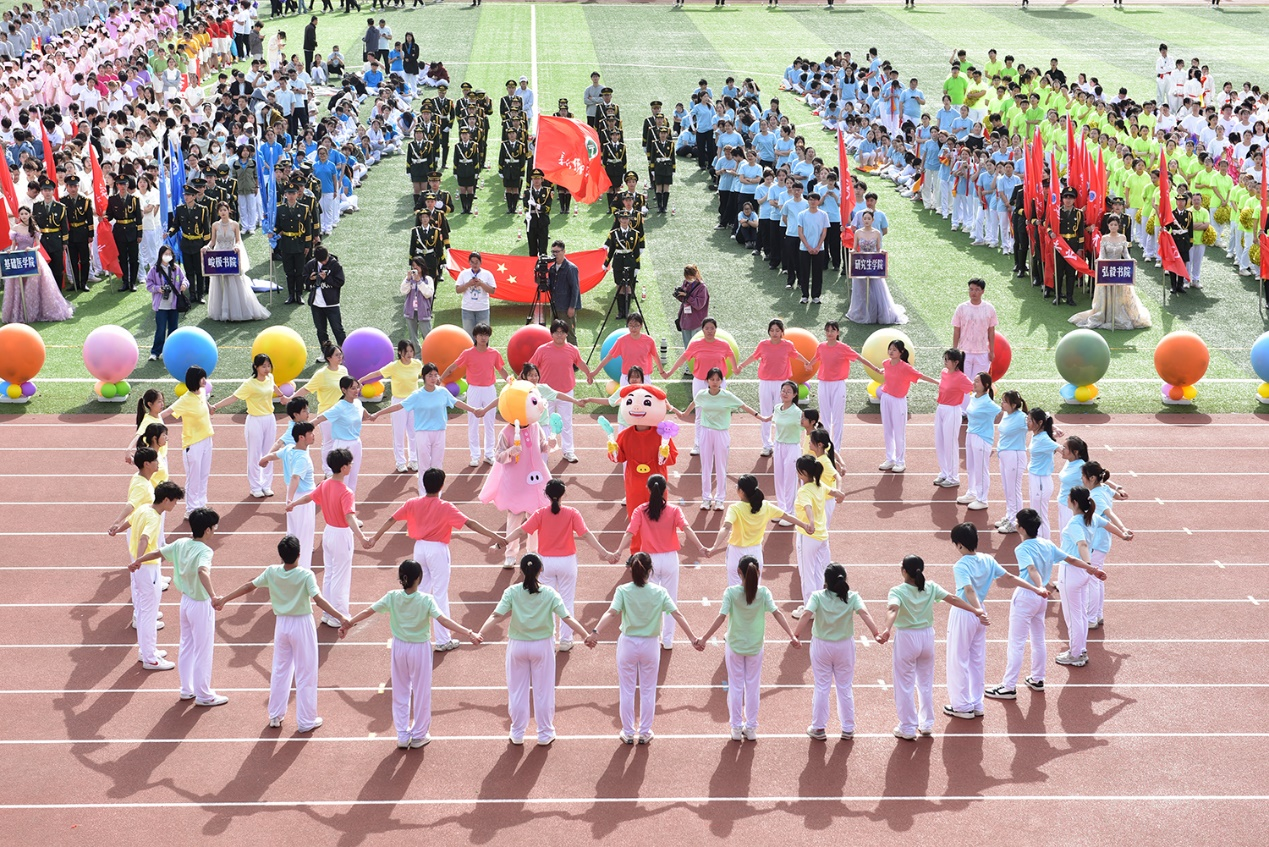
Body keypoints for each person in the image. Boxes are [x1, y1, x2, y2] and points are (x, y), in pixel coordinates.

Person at [342, 559, 483, 748]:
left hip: (399, 648)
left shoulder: (392, 596)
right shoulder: (426, 599)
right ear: (419, 578)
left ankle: (402, 734)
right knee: (421, 691)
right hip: (419, 649)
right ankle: (419, 735)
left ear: (401, 578)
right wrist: (469, 632)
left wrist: (349, 623)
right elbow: (443, 620)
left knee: (400, 691)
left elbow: (369, 611)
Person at [215, 535, 349, 732]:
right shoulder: (306, 575)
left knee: (280, 669)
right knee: (306, 672)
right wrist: (341, 617)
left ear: (281, 555)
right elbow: (318, 599)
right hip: (302, 624)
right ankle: (306, 720)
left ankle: (275, 715)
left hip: (282, 625)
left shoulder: (272, 571)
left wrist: (224, 599)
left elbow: (249, 586)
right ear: (299, 554)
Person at [366, 468, 505, 651]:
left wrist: (375, 538)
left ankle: (410, 632)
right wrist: (494, 536)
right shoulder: (445, 507)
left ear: (424, 484)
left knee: (419, 592)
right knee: (439, 594)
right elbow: (470, 523)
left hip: (419, 548)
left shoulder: (412, 503)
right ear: (441, 485)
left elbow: (391, 519)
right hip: (438, 550)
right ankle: (442, 640)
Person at [584, 552, 703, 744]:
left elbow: (612, 612)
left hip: (628, 644)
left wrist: (595, 631)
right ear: (650, 571)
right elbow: (676, 614)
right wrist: (692, 638)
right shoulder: (660, 592)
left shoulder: (623, 590)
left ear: (631, 570)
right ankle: (645, 732)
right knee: (648, 690)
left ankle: (628, 732)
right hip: (650, 645)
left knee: (627, 690)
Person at [476, 555, 594, 746]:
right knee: (544, 690)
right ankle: (545, 733)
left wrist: (480, 633)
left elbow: (496, 615)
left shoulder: (512, 591)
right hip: (542, 646)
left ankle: (517, 732)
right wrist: (585, 635)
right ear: (541, 570)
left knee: (517, 690)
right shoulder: (549, 593)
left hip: (517, 646)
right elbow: (567, 617)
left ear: (521, 570)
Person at [876, 555, 989, 740]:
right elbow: (953, 598)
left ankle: (907, 727)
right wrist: (976, 610)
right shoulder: (931, 587)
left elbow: (893, 609)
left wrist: (887, 629)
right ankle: (927, 723)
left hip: (906, 638)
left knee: (904, 684)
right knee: (925, 683)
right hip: (927, 637)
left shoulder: (897, 591)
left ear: (904, 571)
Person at [944, 523, 1049, 720]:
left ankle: (962, 706)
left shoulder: (960, 565)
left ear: (959, 545)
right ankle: (977, 703)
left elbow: (968, 590)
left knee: (958, 659)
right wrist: (1036, 588)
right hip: (980, 612)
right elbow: (1010, 577)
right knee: (977, 659)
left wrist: (976, 610)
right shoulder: (987, 559)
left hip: (966, 612)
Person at [985, 509, 1090, 701]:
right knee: (1038, 639)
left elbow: (1031, 568)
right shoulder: (1047, 544)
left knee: (1016, 642)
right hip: (1041, 599)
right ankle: (1038, 678)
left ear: (1022, 528)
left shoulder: (1022, 549)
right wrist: (1091, 568)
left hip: (1027, 595)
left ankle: (1008, 686)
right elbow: (1071, 559)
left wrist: (1039, 586)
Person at [503, 478, 615, 652]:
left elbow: (521, 531)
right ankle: (565, 640)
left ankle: (549, 637)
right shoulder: (572, 513)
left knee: (546, 601)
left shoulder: (540, 513)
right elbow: (586, 534)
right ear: (564, 494)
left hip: (545, 563)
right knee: (566, 602)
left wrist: (502, 542)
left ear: (546, 495)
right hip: (567, 562)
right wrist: (605, 553)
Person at [697, 556, 801, 742]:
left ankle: (736, 728)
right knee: (752, 687)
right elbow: (777, 613)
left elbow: (721, 617)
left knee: (736, 686)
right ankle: (751, 728)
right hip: (755, 646)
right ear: (758, 572)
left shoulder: (731, 593)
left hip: (735, 646)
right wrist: (791, 635)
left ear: (739, 572)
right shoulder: (764, 593)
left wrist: (704, 639)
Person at [609, 475, 710, 649]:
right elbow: (686, 529)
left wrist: (618, 551)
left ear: (648, 489)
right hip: (670, 559)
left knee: (651, 600)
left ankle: (652, 636)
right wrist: (700, 547)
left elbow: (630, 533)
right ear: (665, 490)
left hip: (649, 561)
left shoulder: (640, 510)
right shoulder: (674, 510)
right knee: (670, 601)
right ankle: (668, 640)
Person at [145, 508, 225, 706]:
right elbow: (202, 571)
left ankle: (186, 689)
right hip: (201, 604)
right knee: (203, 650)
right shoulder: (205, 551)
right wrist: (213, 596)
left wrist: (139, 560)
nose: (215, 530)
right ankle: (204, 694)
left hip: (185, 602)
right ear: (207, 530)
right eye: (214, 527)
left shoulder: (181, 543)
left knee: (187, 646)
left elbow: (158, 552)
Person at [792, 564, 880, 740]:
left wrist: (796, 634)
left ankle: (818, 728)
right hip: (845, 646)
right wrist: (876, 633)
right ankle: (848, 728)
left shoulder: (817, 596)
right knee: (845, 687)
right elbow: (864, 613)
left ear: (825, 581)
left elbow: (806, 614)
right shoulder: (852, 596)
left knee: (822, 686)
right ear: (844, 579)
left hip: (821, 646)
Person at [285, 448, 371, 627]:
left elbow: (309, 497)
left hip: (328, 532)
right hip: (341, 534)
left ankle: (327, 613)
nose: (351, 466)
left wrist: (293, 503)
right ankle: (340, 615)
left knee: (330, 574)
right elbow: (349, 517)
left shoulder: (325, 484)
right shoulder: (346, 492)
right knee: (340, 576)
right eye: (349, 464)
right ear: (343, 468)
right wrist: (362, 537)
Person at [675, 368, 766, 509]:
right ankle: (706, 498)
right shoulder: (701, 395)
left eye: (718, 379)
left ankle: (719, 500)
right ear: (707, 381)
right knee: (706, 466)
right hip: (705, 432)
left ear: (721, 381)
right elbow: (686, 412)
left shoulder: (727, 396)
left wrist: (761, 417)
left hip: (721, 433)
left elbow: (744, 406)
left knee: (721, 467)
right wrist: (674, 410)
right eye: (712, 379)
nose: (715, 382)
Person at [124, 481, 186, 672]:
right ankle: (150, 658)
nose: (175, 505)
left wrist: (116, 529)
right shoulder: (154, 517)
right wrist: (139, 560)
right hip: (147, 568)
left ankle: (147, 651)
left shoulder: (144, 509)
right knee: (148, 614)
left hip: (142, 568)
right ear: (166, 499)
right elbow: (145, 538)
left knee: (145, 612)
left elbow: (129, 522)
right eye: (174, 501)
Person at [736, 319, 811, 456]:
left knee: (781, 414)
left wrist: (806, 362)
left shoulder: (787, 345)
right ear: (769, 332)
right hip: (765, 382)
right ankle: (766, 445)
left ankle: (778, 443)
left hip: (782, 383)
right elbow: (754, 356)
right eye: (772, 330)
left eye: (777, 330)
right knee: (765, 414)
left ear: (782, 332)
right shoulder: (763, 345)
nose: (774, 333)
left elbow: (796, 354)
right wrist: (741, 365)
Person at [210, 354, 282, 498]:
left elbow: (273, 386)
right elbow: (234, 397)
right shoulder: (249, 384)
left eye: (269, 366)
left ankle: (266, 485)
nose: (267, 369)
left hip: (269, 418)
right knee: (254, 454)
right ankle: (255, 487)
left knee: (269, 453)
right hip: (255, 420)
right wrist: (215, 406)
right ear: (256, 367)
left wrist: (282, 396)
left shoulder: (270, 378)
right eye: (263, 366)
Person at [442, 325, 509, 467]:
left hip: (489, 390)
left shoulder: (494, 353)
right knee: (473, 423)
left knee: (489, 423)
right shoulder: (467, 353)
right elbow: (453, 366)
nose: (483, 338)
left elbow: (501, 370)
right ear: (475, 336)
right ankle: (474, 456)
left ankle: (489, 454)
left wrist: (511, 381)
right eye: (480, 335)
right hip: (474, 390)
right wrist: (440, 379)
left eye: (486, 335)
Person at [867, 340, 937, 473]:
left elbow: (921, 376)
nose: (891, 352)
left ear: (901, 352)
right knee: (887, 430)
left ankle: (900, 462)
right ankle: (890, 459)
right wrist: (882, 370)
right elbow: (888, 371)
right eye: (890, 349)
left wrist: (938, 383)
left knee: (899, 432)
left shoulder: (906, 367)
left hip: (898, 401)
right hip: (886, 398)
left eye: (894, 349)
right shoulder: (886, 363)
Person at [1071, 216, 1152, 330]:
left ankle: (1119, 315)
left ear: (1118, 226)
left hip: (1119, 269)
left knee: (1120, 293)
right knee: (1107, 292)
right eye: (1111, 225)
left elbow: (1125, 253)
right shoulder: (1104, 238)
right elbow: (1102, 254)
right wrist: (1100, 260)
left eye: (1115, 225)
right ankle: (1106, 315)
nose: (1113, 227)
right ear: (1108, 226)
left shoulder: (1123, 237)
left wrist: (1130, 260)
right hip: (1108, 269)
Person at [529, 319, 590, 463]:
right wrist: (520, 382)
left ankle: (568, 451)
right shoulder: (542, 350)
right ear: (551, 334)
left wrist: (589, 374)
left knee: (566, 423)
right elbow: (530, 366)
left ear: (567, 334)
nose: (559, 335)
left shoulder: (572, 349)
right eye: (556, 332)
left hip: (566, 391)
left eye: (562, 332)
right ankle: (543, 452)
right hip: (545, 394)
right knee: (545, 424)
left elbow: (580, 362)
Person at [260, 421, 319, 569]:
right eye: (310, 433)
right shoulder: (303, 458)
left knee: (293, 532)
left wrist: (264, 458)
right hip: (303, 498)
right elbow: (295, 478)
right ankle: (303, 569)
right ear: (301, 437)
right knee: (305, 536)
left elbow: (275, 455)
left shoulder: (288, 449)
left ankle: (290, 565)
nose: (313, 435)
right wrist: (291, 501)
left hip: (293, 496)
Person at [1081, 462, 1131, 630]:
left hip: (1096, 541)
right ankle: (1098, 614)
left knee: (1093, 579)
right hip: (1102, 540)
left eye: (1083, 476)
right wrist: (1120, 491)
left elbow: (1110, 514)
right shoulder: (1104, 489)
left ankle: (1091, 618)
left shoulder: (1095, 496)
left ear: (1092, 478)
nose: (1081, 479)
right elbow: (1119, 496)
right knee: (1098, 578)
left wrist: (1123, 529)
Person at [161, 367, 216, 517]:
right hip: (193, 443)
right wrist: (152, 420)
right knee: (193, 477)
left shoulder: (202, 391)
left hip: (207, 439)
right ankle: (191, 509)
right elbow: (168, 412)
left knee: (204, 475)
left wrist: (210, 407)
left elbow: (204, 401)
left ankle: (201, 504)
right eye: (201, 378)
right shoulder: (185, 399)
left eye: (204, 377)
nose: (205, 380)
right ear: (194, 380)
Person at [363, 341, 423, 473]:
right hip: (398, 402)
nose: (409, 354)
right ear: (400, 352)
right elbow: (377, 373)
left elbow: (426, 375)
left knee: (414, 432)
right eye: (406, 351)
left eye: (411, 351)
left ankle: (414, 460)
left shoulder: (417, 364)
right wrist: (361, 380)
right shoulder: (394, 366)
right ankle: (400, 462)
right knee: (399, 433)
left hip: (414, 402)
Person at [311, 377, 374, 495]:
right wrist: (306, 427)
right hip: (342, 446)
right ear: (344, 390)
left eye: (357, 388)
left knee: (353, 477)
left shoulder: (358, 402)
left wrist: (370, 416)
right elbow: (320, 418)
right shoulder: (339, 407)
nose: (356, 391)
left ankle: (350, 502)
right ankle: (337, 502)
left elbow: (364, 414)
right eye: (352, 388)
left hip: (356, 443)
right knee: (343, 479)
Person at [807, 321, 861, 452]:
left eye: (833, 330)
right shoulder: (821, 347)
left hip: (838, 384)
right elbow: (816, 358)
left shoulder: (843, 348)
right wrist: (808, 364)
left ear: (838, 332)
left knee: (837, 418)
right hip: (823, 384)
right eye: (827, 330)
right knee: (825, 418)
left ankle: (836, 449)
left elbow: (859, 358)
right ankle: (826, 447)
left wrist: (875, 368)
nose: (830, 333)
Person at [294, 344, 349, 472]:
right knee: (329, 443)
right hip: (327, 414)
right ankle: (328, 470)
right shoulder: (321, 374)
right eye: (337, 355)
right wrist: (291, 398)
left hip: (342, 413)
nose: (340, 357)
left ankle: (338, 468)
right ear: (328, 358)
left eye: (340, 354)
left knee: (341, 441)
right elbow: (307, 388)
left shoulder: (343, 370)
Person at [845, 210, 906, 324]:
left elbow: (878, 248)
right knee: (861, 289)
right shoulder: (858, 232)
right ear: (862, 220)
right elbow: (855, 247)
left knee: (876, 288)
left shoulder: (877, 233)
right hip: (861, 263)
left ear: (873, 220)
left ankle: (878, 312)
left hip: (873, 263)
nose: (866, 221)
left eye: (869, 219)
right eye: (865, 219)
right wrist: (852, 252)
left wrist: (882, 251)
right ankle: (863, 312)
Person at [950, 278, 997, 410]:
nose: (973, 292)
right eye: (971, 289)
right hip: (965, 352)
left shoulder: (989, 309)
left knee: (979, 384)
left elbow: (991, 331)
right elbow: (957, 330)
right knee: (964, 383)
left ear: (983, 291)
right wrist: (955, 351)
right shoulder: (962, 308)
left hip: (982, 352)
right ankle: (963, 410)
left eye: (977, 290)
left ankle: (977, 409)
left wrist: (991, 350)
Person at [959, 372, 1001, 512]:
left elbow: (1004, 413)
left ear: (986, 385)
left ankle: (982, 499)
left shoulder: (988, 403)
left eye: (977, 381)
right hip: (970, 435)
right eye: (974, 380)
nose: (974, 383)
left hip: (982, 438)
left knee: (981, 469)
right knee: (971, 466)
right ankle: (972, 492)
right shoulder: (973, 397)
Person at [931, 349, 973, 489]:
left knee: (950, 444)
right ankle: (944, 472)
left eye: (948, 359)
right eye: (945, 359)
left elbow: (973, 388)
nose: (945, 361)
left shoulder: (961, 377)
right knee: (940, 442)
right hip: (941, 409)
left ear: (956, 362)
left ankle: (953, 477)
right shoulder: (944, 372)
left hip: (953, 411)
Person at [143, 247, 188, 361]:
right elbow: (148, 285)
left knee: (173, 330)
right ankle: (155, 352)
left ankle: (172, 352)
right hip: (161, 306)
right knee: (160, 330)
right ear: (160, 255)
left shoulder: (176, 268)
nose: (168, 256)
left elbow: (184, 279)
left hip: (174, 305)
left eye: (170, 254)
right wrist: (158, 289)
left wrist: (184, 285)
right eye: (165, 254)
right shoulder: (154, 270)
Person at [994, 390, 1029, 535]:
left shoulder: (1022, 417)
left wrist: (1055, 429)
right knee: (1007, 488)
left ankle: (1016, 522)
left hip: (1015, 456)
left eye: (1005, 401)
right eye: (1002, 401)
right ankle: (1010, 516)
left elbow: (1042, 419)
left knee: (1014, 490)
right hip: (1004, 456)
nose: (1002, 404)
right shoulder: (1006, 415)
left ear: (1014, 405)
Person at [304, 245, 346, 351]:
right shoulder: (310, 265)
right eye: (321, 261)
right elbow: (304, 279)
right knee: (321, 331)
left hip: (332, 303)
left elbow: (340, 282)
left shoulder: (335, 265)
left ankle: (345, 351)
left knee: (338, 329)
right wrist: (310, 279)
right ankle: (325, 353)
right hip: (316, 304)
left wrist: (327, 278)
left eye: (325, 260)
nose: (324, 262)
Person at [546, 241, 582, 341]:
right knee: (554, 333)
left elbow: (575, 289)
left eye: (557, 251)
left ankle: (573, 352)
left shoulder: (571, 268)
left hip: (566, 307)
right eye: (553, 252)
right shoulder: (552, 268)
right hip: (555, 306)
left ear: (564, 251)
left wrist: (572, 307)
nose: (555, 254)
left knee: (570, 334)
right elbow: (550, 286)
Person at [455, 251, 496, 335]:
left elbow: (492, 290)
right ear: (469, 262)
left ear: (480, 262)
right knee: (468, 335)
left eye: (477, 262)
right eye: (472, 262)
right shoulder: (464, 273)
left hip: (482, 308)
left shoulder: (487, 274)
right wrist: (468, 284)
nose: (474, 264)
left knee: (483, 334)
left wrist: (481, 284)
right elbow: (458, 290)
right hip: (467, 309)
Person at [671, 265, 709, 356]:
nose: (688, 279)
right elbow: (684, 300)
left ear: (695, 274)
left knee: (696, 347)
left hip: (697, 322)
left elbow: (699, 305)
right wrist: (679, 295)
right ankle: (689, 364)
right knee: (687, 347)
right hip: (685, 320)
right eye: (687, 277)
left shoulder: (702, 287)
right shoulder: (686, 283)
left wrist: (687, 296)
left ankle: (696, 364)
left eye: (690, 277)